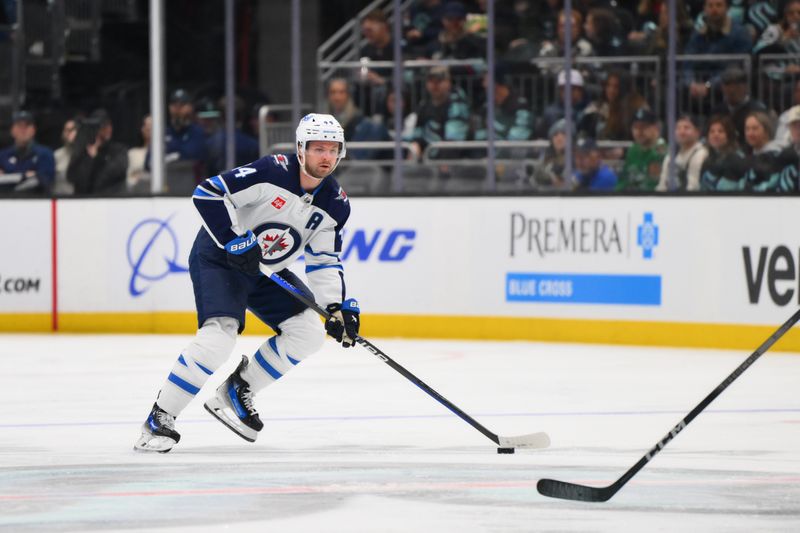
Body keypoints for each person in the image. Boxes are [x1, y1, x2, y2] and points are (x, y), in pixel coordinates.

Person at [134, 113, 360, 453]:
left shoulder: (336, 205)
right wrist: (232, 239)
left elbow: (324, 260)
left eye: (332, 149)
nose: (326, 157)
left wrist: (335, 308)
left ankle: (237, 389)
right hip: (220, 257)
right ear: (301, 149)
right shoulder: (271, 171)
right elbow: (208, 193)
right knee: (219, 337)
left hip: (265, 268)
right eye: (317, 148)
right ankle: (159, 417)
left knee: (308, 332)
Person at [683, 0, 752, 104]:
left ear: (727, 8)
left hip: (724, 83)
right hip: (699, 84)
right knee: (677, 87)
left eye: (719, 5)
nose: (714, 9)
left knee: (729, 84)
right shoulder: (698, 35)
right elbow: (688, 62)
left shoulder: (740, 34)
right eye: (710, 6)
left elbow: (736, 66)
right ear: (704, 9)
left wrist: (708, 85)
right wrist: (691, 83)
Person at [410, 66, 471, 161]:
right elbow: (417, 134)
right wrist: (414, 149)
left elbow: (453, 142)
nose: (435, 85)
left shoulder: (457, 105)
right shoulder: (424, 105)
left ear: (448, 83)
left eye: (439, 81)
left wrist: (443, 165)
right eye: (431, 81)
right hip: (427, 161)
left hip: (452, 161)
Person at [67, 109, 128, 195]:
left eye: (109, 125)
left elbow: (110, 176)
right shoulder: (84, 150)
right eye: (103, 126)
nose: (108, 129)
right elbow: (72, 177)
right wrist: (89, 158)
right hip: (85, 202)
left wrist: (97, 158)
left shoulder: (119, 150)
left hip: (111, 200)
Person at [710, 65, 769, 144]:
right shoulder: (717, 111)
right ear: (722, 88)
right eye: (728, 86)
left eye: (736, 86)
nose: (732, 90)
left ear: (745, 87)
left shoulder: (757, 110)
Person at [742, 110, 799, 192]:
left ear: (766, 130)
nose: (750, 133)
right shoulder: (749, 155)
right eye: (747, 129)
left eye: (755, 129)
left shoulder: (777, 155)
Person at [0, 111, 55, 195]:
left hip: (36, 202)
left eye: (27, 126)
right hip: (6, 202)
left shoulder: (45, 153)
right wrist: (25, 175)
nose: (23, 130)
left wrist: (10, 177)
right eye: (19, 126)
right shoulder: (3, 155)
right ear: (12, 130)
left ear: (33, 130)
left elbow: (44, 181)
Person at [616, 108, 667, 191]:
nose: (639, 131)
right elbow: (623, 180)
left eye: (644, 127)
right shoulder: (633, 150)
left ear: (656, 128)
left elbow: (652, 186)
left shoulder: (661, 152)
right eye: (635, 127)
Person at [656, 114, 709, 191]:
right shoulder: (671, 154)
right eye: (678, 128)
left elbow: (693, 187)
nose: (681, 132)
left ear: (697, 132)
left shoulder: (700, 153)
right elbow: (662, 184)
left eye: (686, 128)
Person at [699, 114, 749, 191]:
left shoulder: (735, 160)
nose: (716, 134)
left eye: (721, 131)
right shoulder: (709, 158)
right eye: (712, 131)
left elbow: (726, 195)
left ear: (729, 136)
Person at [127, 114, 152, 193]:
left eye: (151, 125)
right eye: (146, 125)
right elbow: (128, 180)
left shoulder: (164, 154)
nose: (148, 128)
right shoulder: (132, 153)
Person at [53, 117, 77, 195]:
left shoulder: (87, 154)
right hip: (60, 199)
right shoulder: (56, 155)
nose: (69, 133)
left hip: (81, 201)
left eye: (73, 129)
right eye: (67, 130)